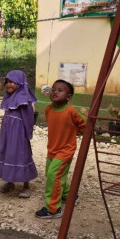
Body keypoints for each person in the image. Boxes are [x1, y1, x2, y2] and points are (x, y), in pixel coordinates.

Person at [35, 79, 85, 219]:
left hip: (65, 150)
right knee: (52, 175)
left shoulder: (71, 111)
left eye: (60, 90)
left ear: (69, 97)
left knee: (53, 174)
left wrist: (83, 130)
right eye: (54, 89)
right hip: (52, 149)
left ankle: (53, 209)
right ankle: (69, 196)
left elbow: (83, 127)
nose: (55, 92)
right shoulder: (48, 109)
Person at [0, 70, 38, 198]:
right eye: (7, 82)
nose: (9, 84)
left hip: (19, 134)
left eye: (12, 82)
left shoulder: (23, 98)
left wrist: (27, 134)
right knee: (8, 153)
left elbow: (28, 118)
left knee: (21, 155)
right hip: (8, 133)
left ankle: (26, 186)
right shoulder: (9, 97)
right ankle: (10, 182)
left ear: (20, 83)